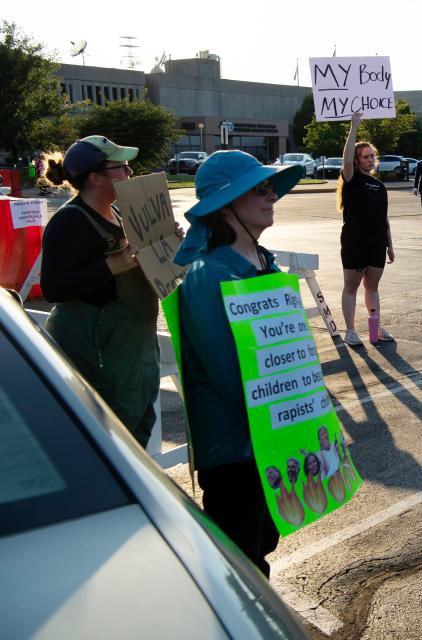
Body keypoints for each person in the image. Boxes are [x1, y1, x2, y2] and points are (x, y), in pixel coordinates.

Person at [172, 149, 304, 576]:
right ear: (226, 205)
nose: (271, 196)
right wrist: (289, 406)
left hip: (270, 435)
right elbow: (230, 376)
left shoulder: (264, 262)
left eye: (270, 188)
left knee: (264, 540)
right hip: (232, 446)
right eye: (259, 189)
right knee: (241, 560)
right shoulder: (206, 274)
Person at [40, 135, 174, 448]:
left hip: (134, 353)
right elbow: (53, 288)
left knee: (137, 440)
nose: (130, 174)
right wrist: (110, 267)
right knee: (108, 446)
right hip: (99, 358)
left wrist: (166, 243)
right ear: (95, 178)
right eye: (122, 168)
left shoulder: (121, 214)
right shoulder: (69, 221)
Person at [338, 111, 396, 347]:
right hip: (354, 242)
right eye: (365, 156)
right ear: (357, 160)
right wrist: (354, 127)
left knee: (372, 287)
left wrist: (390, 245)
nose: (370, 160)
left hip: (377, 243)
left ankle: (376, 326)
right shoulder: (351, 180)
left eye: (372, 156)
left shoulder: (379, 186)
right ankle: (350, 330)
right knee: (351, 287)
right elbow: (345, 158)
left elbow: (384, 219)